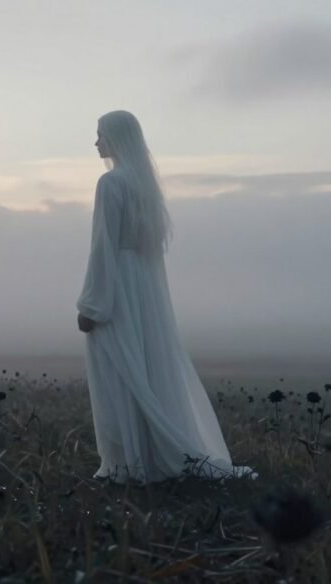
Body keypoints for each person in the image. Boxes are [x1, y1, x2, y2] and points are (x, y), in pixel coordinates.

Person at [76, 110, 254, 484]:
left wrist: (92, 305)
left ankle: (129, 461)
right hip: (143, 287)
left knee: (120, 369)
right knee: (148, 367)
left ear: (117, 138)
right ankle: (148, 457)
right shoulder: (144, 187)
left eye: (100, 135)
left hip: (119, 288)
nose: (96, 142)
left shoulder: (110, 183)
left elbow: (103, 246)